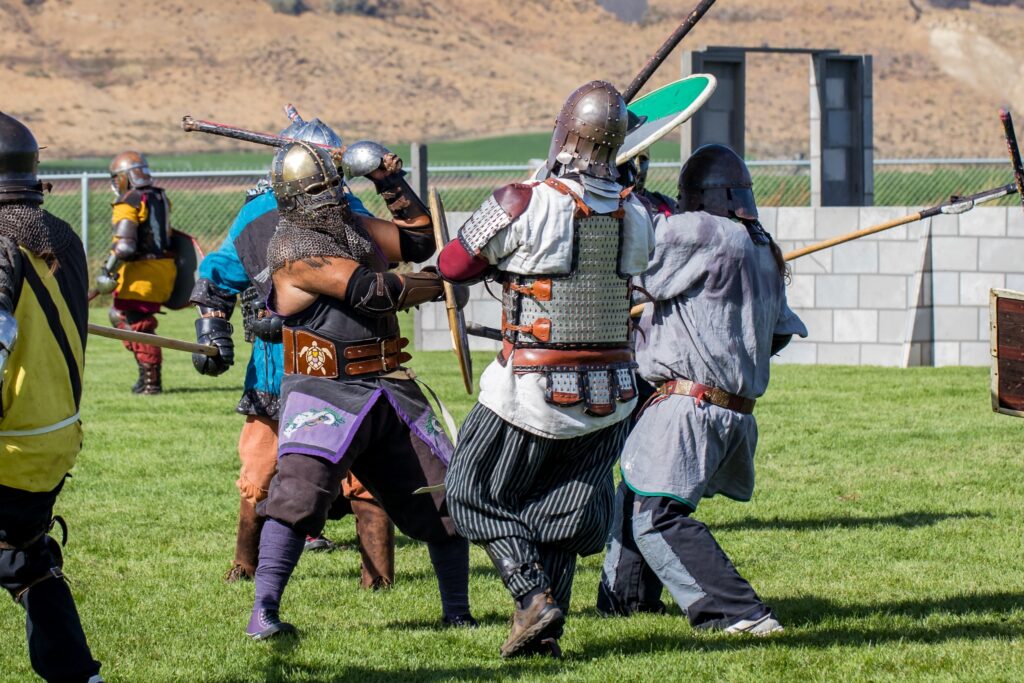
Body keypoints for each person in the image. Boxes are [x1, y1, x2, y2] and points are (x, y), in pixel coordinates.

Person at [437, 81, 655, 658]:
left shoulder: (522, 200)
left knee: (469, 490)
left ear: (564, 133)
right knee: (559, 511)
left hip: (531, 387)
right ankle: (543, 638)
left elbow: (453, 264)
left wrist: (524, 203)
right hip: (611, 390)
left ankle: (532, 595)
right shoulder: (637, 212)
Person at [247, 139, 475, 640]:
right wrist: (441, 283)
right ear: (295, 198)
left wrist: (388, 181)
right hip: (323, 391)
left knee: (441, 495)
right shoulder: (295, 250)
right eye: (319, 190)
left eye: (333, 186)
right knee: (298, 499)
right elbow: (373, 292)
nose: (329, 197)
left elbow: (418, 241)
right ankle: (263, 611)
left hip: (389, 389)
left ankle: (458, 612)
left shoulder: (353, 229)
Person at [596, 144, 808, 634]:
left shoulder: (702, 231)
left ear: (695, 196)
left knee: (657, 515)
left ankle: (740, 613)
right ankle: (625, 601)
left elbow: (634, 255)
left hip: (688, 401)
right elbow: (778, 334)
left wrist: (618, 193)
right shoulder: (763, 248)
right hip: (729, 406)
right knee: (637, 491)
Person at [189, 111, 393, 585]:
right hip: (277, 367)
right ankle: (246, 564)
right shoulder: (259, 214)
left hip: (347, 363)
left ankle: (378, 580)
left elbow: (381, 272)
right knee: (261, 470)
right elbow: (217, 275)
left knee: (364, 477)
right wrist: (212, 331)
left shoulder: (350, 209)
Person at [0, 111, 103, 682]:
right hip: (52, 440)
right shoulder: (57, 235)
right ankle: (79, 676)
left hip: (8, 444)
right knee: (27, 562)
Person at [94, 151, 176, 395]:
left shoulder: (129, 200)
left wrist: (107, 271)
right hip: (162, 269)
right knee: (119, 316)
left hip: (143, 275)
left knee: (138, 325)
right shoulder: (159, 196)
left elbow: (124, 247)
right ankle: (144, 375)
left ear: (124, 177)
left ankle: (151, 382)